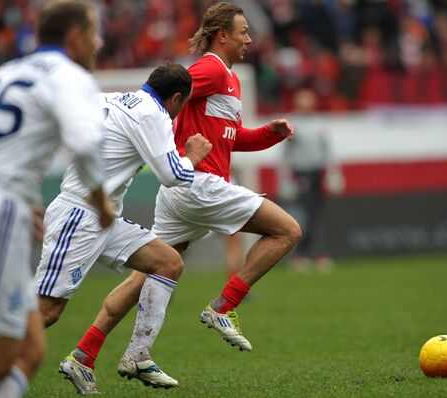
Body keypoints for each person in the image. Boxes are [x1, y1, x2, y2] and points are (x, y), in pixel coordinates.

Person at [62, 1, 301, 392]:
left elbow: (230, 138)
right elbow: (167, 95)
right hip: (199, 184)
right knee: (287, 230)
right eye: (243, 32)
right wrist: (169, 145)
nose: (249, 39)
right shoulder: (208, 68)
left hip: (183, 190)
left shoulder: (230, 79)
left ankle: (85, 354)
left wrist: (268, 134)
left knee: (153, 269)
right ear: (223, 35)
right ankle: (224, 306)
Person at [33, 64, 212, 394]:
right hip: (79, 215)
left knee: (167, 262)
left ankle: (131, 356)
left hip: (103, 216)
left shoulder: (112, 98)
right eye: (183, 105)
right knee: (46, 311)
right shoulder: (153, 114)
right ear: (176, 98)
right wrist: (193, 156)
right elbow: (172, 175)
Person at [0, 1, 114, 397]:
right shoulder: (69, 76)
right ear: (75, 36)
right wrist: (101, 201)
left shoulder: (3, 73)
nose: (100, 41)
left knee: (31, 349)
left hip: (2, 202)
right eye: (94, 32)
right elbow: (86, 139)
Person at [284, 88, 334, 272]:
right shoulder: (292, 123)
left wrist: (333, 173)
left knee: (317, 213)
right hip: (301, 173)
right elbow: (285, 154)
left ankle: (318, 253)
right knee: (303, 214)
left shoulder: (320, 123)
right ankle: (300, 255)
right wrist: (285, 179)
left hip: (318, 173)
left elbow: (328, 150)